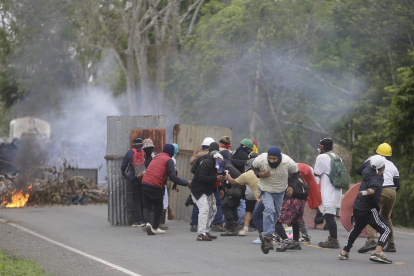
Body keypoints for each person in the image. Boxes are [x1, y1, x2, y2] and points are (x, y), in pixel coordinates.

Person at [338, 155, 393, 264]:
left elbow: (361, 170)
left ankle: (345, 251)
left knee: (357, 228)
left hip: (358, 207)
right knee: (387, 231)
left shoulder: (367, 169)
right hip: (369, 210)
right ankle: (377, 253)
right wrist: (372, 190)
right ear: (383, 167)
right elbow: (374, 186)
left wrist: (372, 190)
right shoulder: (376, 179)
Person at [252, 146, 298, 253]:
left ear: (279, 158)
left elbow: (296, 173)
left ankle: (264, 236)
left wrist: (292, 186)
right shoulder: (262, 159)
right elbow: (253, 167)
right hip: (265, 189)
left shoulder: (288, 162)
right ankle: (268, 238)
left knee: (276, 215)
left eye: (274, 159)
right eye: (270, 158)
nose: (272, 161)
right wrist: (259, 174)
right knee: (269, 210)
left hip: (280, 190)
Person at [356, 143, 399, 253]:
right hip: (392, 192)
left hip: (380, 188)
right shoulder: (393, 166)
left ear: (377, 152)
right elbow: (397, 185)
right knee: (386, 216)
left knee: (371, 212)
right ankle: (391, 244)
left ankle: (371, 241)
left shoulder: (373, 159)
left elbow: (358, 171)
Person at [141, 144, 190, 235]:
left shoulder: (156, 156)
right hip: (156, 185)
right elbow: (173, 177)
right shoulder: (169, 160)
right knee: (159, 207)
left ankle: (147, 223)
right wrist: (187, 183)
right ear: (171, 152)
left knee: (146, 206)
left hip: (144, 183)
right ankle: (155, 227)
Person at [190, 144, 226, 241]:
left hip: (208, 189)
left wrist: (221, 188)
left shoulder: (219, 164)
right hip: (198, 189)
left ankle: (206, 231)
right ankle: (201, 234)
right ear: (215, 158)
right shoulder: (207, 162)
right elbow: (201, 177)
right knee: (204, 209)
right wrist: (214, 178)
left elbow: (220, 176)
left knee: (212, 210)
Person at [314, 138, 342, 249]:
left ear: (322, 147)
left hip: (328, 191)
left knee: (329, 216)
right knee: (330, 216)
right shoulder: (337, 157)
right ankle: (332, 239)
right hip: (337, 191)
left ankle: (333, 240)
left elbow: (317, 172)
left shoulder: (321, 157)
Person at [225, 154, 261, 237]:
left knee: (249, 210)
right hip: (264, 196)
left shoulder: (247, 174)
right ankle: (270, 232)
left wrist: (229, 177)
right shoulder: (264, 171)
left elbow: (233, 182)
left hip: (251, 192)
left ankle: (245, 229)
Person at [121, 137, 145, 227]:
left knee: (137, 199)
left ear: (133, 144)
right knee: (144, 198)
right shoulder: (145, 151)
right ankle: (145, 219)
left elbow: (123, 166)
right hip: (145, 178)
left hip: (134, 179)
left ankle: (139, 220)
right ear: (142, 144)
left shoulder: (130, 152)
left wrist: (123, 173)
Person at [219, 149, 242, 236]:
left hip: (236, 188)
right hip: (239, 188)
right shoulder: (229, 165)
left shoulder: (225, 166)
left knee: (225, 205)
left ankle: (233, 227)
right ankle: (234, 227)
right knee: (232, 206)